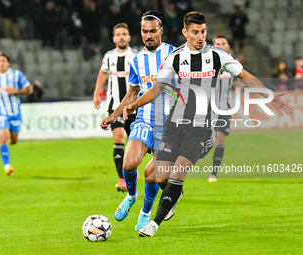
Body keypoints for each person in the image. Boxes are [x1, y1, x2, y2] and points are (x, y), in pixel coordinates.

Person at [123, 12, 292, 237]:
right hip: (174, 125)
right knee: (160, 177)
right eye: (195, 32)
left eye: (203, 31)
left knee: (179, 170)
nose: (200, 36)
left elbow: (244, 75)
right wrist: (135, 104)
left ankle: (153, 224)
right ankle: (174, 195)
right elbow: (157, 89)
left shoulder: (217, 55)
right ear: (185, 33)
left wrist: (269, 96)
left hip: (201, 129)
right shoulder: (174, 58)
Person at [100, 10, 175, 230]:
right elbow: (132, 92)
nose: (149, 35)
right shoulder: (137, 59)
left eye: (153, 31)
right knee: (129, 162)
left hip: (169, 123)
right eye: (145, 31)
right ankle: (131, 196)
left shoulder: (173, 54)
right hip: (144, 118)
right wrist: (113, 115)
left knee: (152, 176)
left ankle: (146, 211)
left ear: (161, 30)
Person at [93, 23, 137, 192]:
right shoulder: (109, 56)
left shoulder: (135, 56)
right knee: (118, 137)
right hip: (114, 107)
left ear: (129, 37)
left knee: (134, 142)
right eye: (118, 34)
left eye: (123, 34)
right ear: (113, 38)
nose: (121, 37)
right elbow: (103, 73)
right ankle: (122, 179)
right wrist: (97, 92)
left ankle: (131, 169)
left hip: (133, 107)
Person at [0, 51, 33, 176]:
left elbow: (29, 89)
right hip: (1, 112)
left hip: (15, 112)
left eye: (3, 61)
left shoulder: (16, 75)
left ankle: (12, 139)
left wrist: (15, 91)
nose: (1, 64)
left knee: (14, 140)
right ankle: (7, 166)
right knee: (3, 138)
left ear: (8, 63)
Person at [208, 35, 235, 183]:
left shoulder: (233, 65)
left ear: (228, 46)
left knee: (219, 138)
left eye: (223, 43)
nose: (220, 46)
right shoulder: (207, 64)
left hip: (224, 109)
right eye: (217, 44)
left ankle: (214, 173)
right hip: (207, 109)